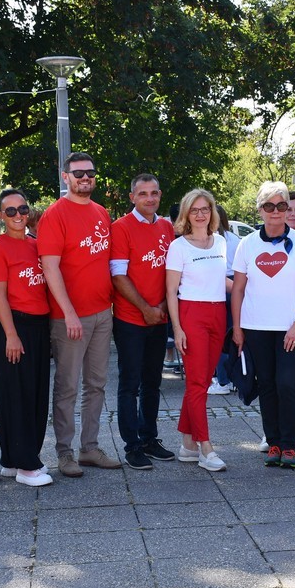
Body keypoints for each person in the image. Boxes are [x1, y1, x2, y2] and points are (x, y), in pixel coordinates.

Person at [37, 152, 121, 476]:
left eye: (89, 173)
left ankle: (90, 448)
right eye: (78, 173)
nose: (85, 178)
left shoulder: (101, 213)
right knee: (67, 387)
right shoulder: (54, 215)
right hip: (69, 318)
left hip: (102, 313)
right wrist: (69, 313)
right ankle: (65, 453)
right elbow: (50, 267)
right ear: (65, 177)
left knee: (97, 384)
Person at [232, 181, 295, 469]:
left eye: (282, 206)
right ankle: (274, 442)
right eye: (270, 206)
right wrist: (238, 327)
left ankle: (290, 444)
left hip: (291, 327)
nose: (277, 211)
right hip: (256, 327)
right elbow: (239, 289)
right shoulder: (247, 243)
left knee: (288, 383)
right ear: (260, 210)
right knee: (266, 384)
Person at [110, 173, 177, 470]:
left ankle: (150, 438)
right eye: (143, 193)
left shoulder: (166, 227)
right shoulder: (121, 228)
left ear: (160, 195)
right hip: (130, 320)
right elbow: (118, 275)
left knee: (153, 382)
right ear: (132, 197)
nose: (149, 198)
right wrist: (145, 307)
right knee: (130, 384)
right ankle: (132, 445)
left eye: (154, 193)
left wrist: (161, 305)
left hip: (159, 316)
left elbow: (172, 272)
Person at [0, 189, 53, 487]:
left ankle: (12, 460)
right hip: (15, 327)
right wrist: (11, 335)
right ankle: (26, 465)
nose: (17, 215)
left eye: (22, 209)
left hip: (40, 326)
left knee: (36, 393)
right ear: (1, 216)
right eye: (10, 211)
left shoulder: (35, 244)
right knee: (17, 395)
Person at [166, 189, 230, 471]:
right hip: (191, 313)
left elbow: (225, 281)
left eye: (205, 209)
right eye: (195, 210)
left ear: (212, 212)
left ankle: (187, 444)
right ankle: (205, 447)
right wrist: (177, 328)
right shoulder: (178, 246)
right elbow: (170, 292)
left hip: (218, 313)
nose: (201, 214)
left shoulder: (221, 242)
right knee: (195, 383)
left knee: (202, 382)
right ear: (186, 214)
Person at [208, 204, 241, 395]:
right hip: (236, 285)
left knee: (220, 337)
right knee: (234, 335)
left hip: (220, 288)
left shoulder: (212, 241)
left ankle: (222, 380)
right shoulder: (235, 239)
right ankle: (236, 377)